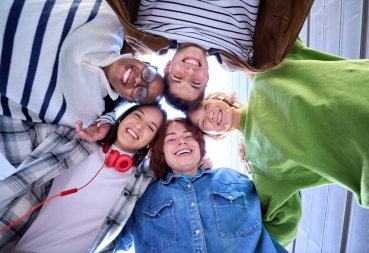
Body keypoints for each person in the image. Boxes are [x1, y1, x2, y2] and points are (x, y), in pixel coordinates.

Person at [187, 49, 369, 245]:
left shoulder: (267, 73)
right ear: (216, 135)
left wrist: (245, 62)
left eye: (204, 107)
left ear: (216, 97)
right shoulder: (260, 167)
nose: (209, 116)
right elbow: (276, 233)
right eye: (204, 124)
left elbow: (273, 30)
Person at [0, 0, 165, 170]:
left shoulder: (86, 113)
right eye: (149, 75)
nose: (139, 81)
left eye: (141, 92)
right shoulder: (111, 21)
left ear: (128, 98)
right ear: (144, 61)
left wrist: (103, 124)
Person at [0, 104, 167, 252]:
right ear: (122, 119)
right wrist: (104, 120)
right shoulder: (73, 139)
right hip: (12, 243)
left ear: (150, 143)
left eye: (150, 128)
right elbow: (10, 120)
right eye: (137, 116)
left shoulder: (144, 181)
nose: (139, 126)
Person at [115, 118, 288, 253]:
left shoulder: (234, 178)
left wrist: (257, 158)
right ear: (162, 154)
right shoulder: (143, 200)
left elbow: (282, 199)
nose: (181, 142)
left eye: (188, 136)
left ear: (200, 145)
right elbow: (109, 240)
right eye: (171, 139)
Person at [108, 0, 314, 111]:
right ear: (206, 78)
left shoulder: (147, 32)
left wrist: (107, 119)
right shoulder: (240, 56)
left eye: (178, 77)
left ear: (168, 66)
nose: (190, 72)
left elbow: (110, 63)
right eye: (195, 83)